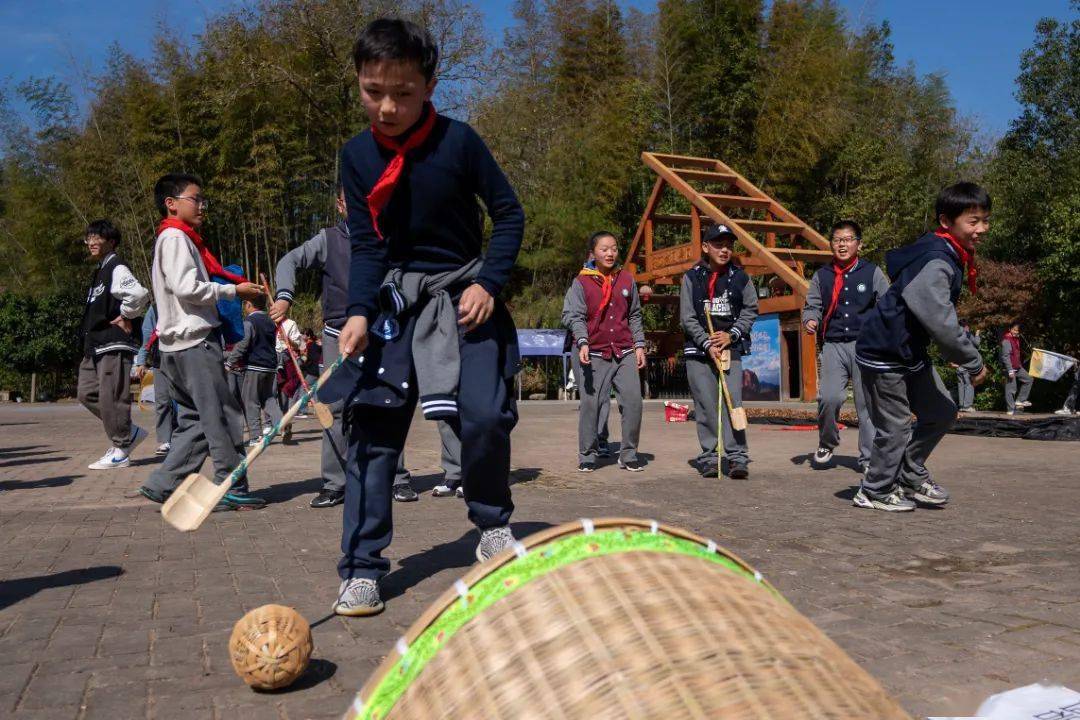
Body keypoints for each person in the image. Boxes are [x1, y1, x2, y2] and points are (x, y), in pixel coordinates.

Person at [332, 19, 525, 616]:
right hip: (395, 304)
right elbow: (366, 246)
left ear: (429, 84)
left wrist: (488, 284)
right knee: (374, 431)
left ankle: (491, 523)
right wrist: (360, 311)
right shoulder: (357, 157)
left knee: (486, 416)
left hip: (465, 298)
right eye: (372, 91)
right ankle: (363, 566)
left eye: (403, 93)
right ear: (359, 84)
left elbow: (509, 215)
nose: (387, 107)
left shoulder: (460, 142)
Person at [273, 186, 419, 506]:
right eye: (351, 200)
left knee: (386, 402)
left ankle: (396, 477)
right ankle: (335, 482)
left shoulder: (389, 238)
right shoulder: (328, 240)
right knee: (334, 407)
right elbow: (289, 260)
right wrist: (284, 295)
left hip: (380, 333)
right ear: (340, 205)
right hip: (336, 334)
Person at [853, 182, 990, 512]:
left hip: (908, 350)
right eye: (973, 221)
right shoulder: (937, 261)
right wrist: (972, 361)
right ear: (947, 221)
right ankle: (874, 489)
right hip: (884, 351)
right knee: (896, 425)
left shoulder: (949, 253)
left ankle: (910, 474)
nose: (982, 229)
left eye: (985, 220)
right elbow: (940, 320)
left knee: (940, 412)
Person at [137, 173, 267, 511]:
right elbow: (188, 288)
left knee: (195, 420)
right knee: (222, 415)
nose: (202, 206)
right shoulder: (177, 238)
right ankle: (231, 483)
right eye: (196, 198)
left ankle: (164, 482)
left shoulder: (171, 239)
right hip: (194, 343)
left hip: (174, 349)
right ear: (171, 203)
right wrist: (232, 290)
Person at [801, 220, 889, 472]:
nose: (842, 244)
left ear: (858, 244)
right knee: (829, 397)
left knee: (866, 405)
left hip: (865, 346)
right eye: (838, 239)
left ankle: (868, 457)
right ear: (831, 244)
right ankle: (827, 442)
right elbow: (812, 306)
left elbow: (888, 304)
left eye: (848, 239)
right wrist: (810, 320)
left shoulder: (872, 272)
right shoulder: (822, 276)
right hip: (833, 345)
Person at [561, 231, 646, 473]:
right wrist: (583, 340)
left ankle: (628, 454)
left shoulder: (626, 280)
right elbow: (573, 315)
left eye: (614, 249)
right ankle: (587, 454)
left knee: (633, 402)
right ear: (593, 253)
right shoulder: (581, 282)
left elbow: (634, 315)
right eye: (604, 249)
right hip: (593, 351)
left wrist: (639, 344)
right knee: (592, 405)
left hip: (624, 350)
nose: (610, 253)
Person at [680, 223, 758, 479]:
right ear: (705, 247)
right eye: (718, 244)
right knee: (705, 405)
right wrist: (706, 342)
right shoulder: (691, 277)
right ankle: (710, 457)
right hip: (699, 351)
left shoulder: (741, 277)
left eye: (728, 245)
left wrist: (731, 334)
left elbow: (750, 309)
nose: (724, 250)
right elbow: (687, 318)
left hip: (730, 349)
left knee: (733, 402)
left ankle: (737, 457)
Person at [77, 219, 151, 470]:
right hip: (94, 344)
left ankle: (121, 448)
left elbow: (139, 294)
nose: (92, 242)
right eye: (89, 238)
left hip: (112, 342)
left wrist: (127, 315)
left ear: (111, 241)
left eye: (98, 237)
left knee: (112, 396)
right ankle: (128, 430)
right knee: (86, 392)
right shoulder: (99, 271)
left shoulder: (116, 267)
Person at [226, 294, 284, 447]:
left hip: (254, 365)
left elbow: (243, 344)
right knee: (269, 398)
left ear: (250, 305)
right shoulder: (271, 322)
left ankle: (255, 435)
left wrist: (230, 361)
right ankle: (282, 423)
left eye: (245, 304)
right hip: (271, 366)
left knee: (250, 401)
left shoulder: (249, 322)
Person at [133, 304, 177, 455]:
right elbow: (147, 335)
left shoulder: (185, 301)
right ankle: (166, 440)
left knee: (185, 401)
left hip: (184, 359)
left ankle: (186, 437)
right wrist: (141, 361)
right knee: (162, 401)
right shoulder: (155, 308)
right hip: (161, 360)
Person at [1000, 323, 1033, 415]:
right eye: (1014, 330)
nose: (1016, 332)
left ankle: (1020, 400)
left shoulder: (1016, 339)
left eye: (1017, 331)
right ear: (1010, 329)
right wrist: (1010, 370)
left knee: (1029, 379)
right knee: (1011, 388)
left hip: (1017, 367)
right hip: (1009, 368)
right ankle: (1010, 409)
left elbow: (1017, 354)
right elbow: (1005, 357)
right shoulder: (1006, 340)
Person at [954, 320, 980, 412]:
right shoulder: (968, 335)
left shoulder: (956, 337)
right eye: (968, 326)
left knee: (961, 385)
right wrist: (977, 335)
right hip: (968, 365)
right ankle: (967, 406)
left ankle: (961, 405)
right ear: (966, 327)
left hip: (958, 365)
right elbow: (977, 344)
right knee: (969, 384)